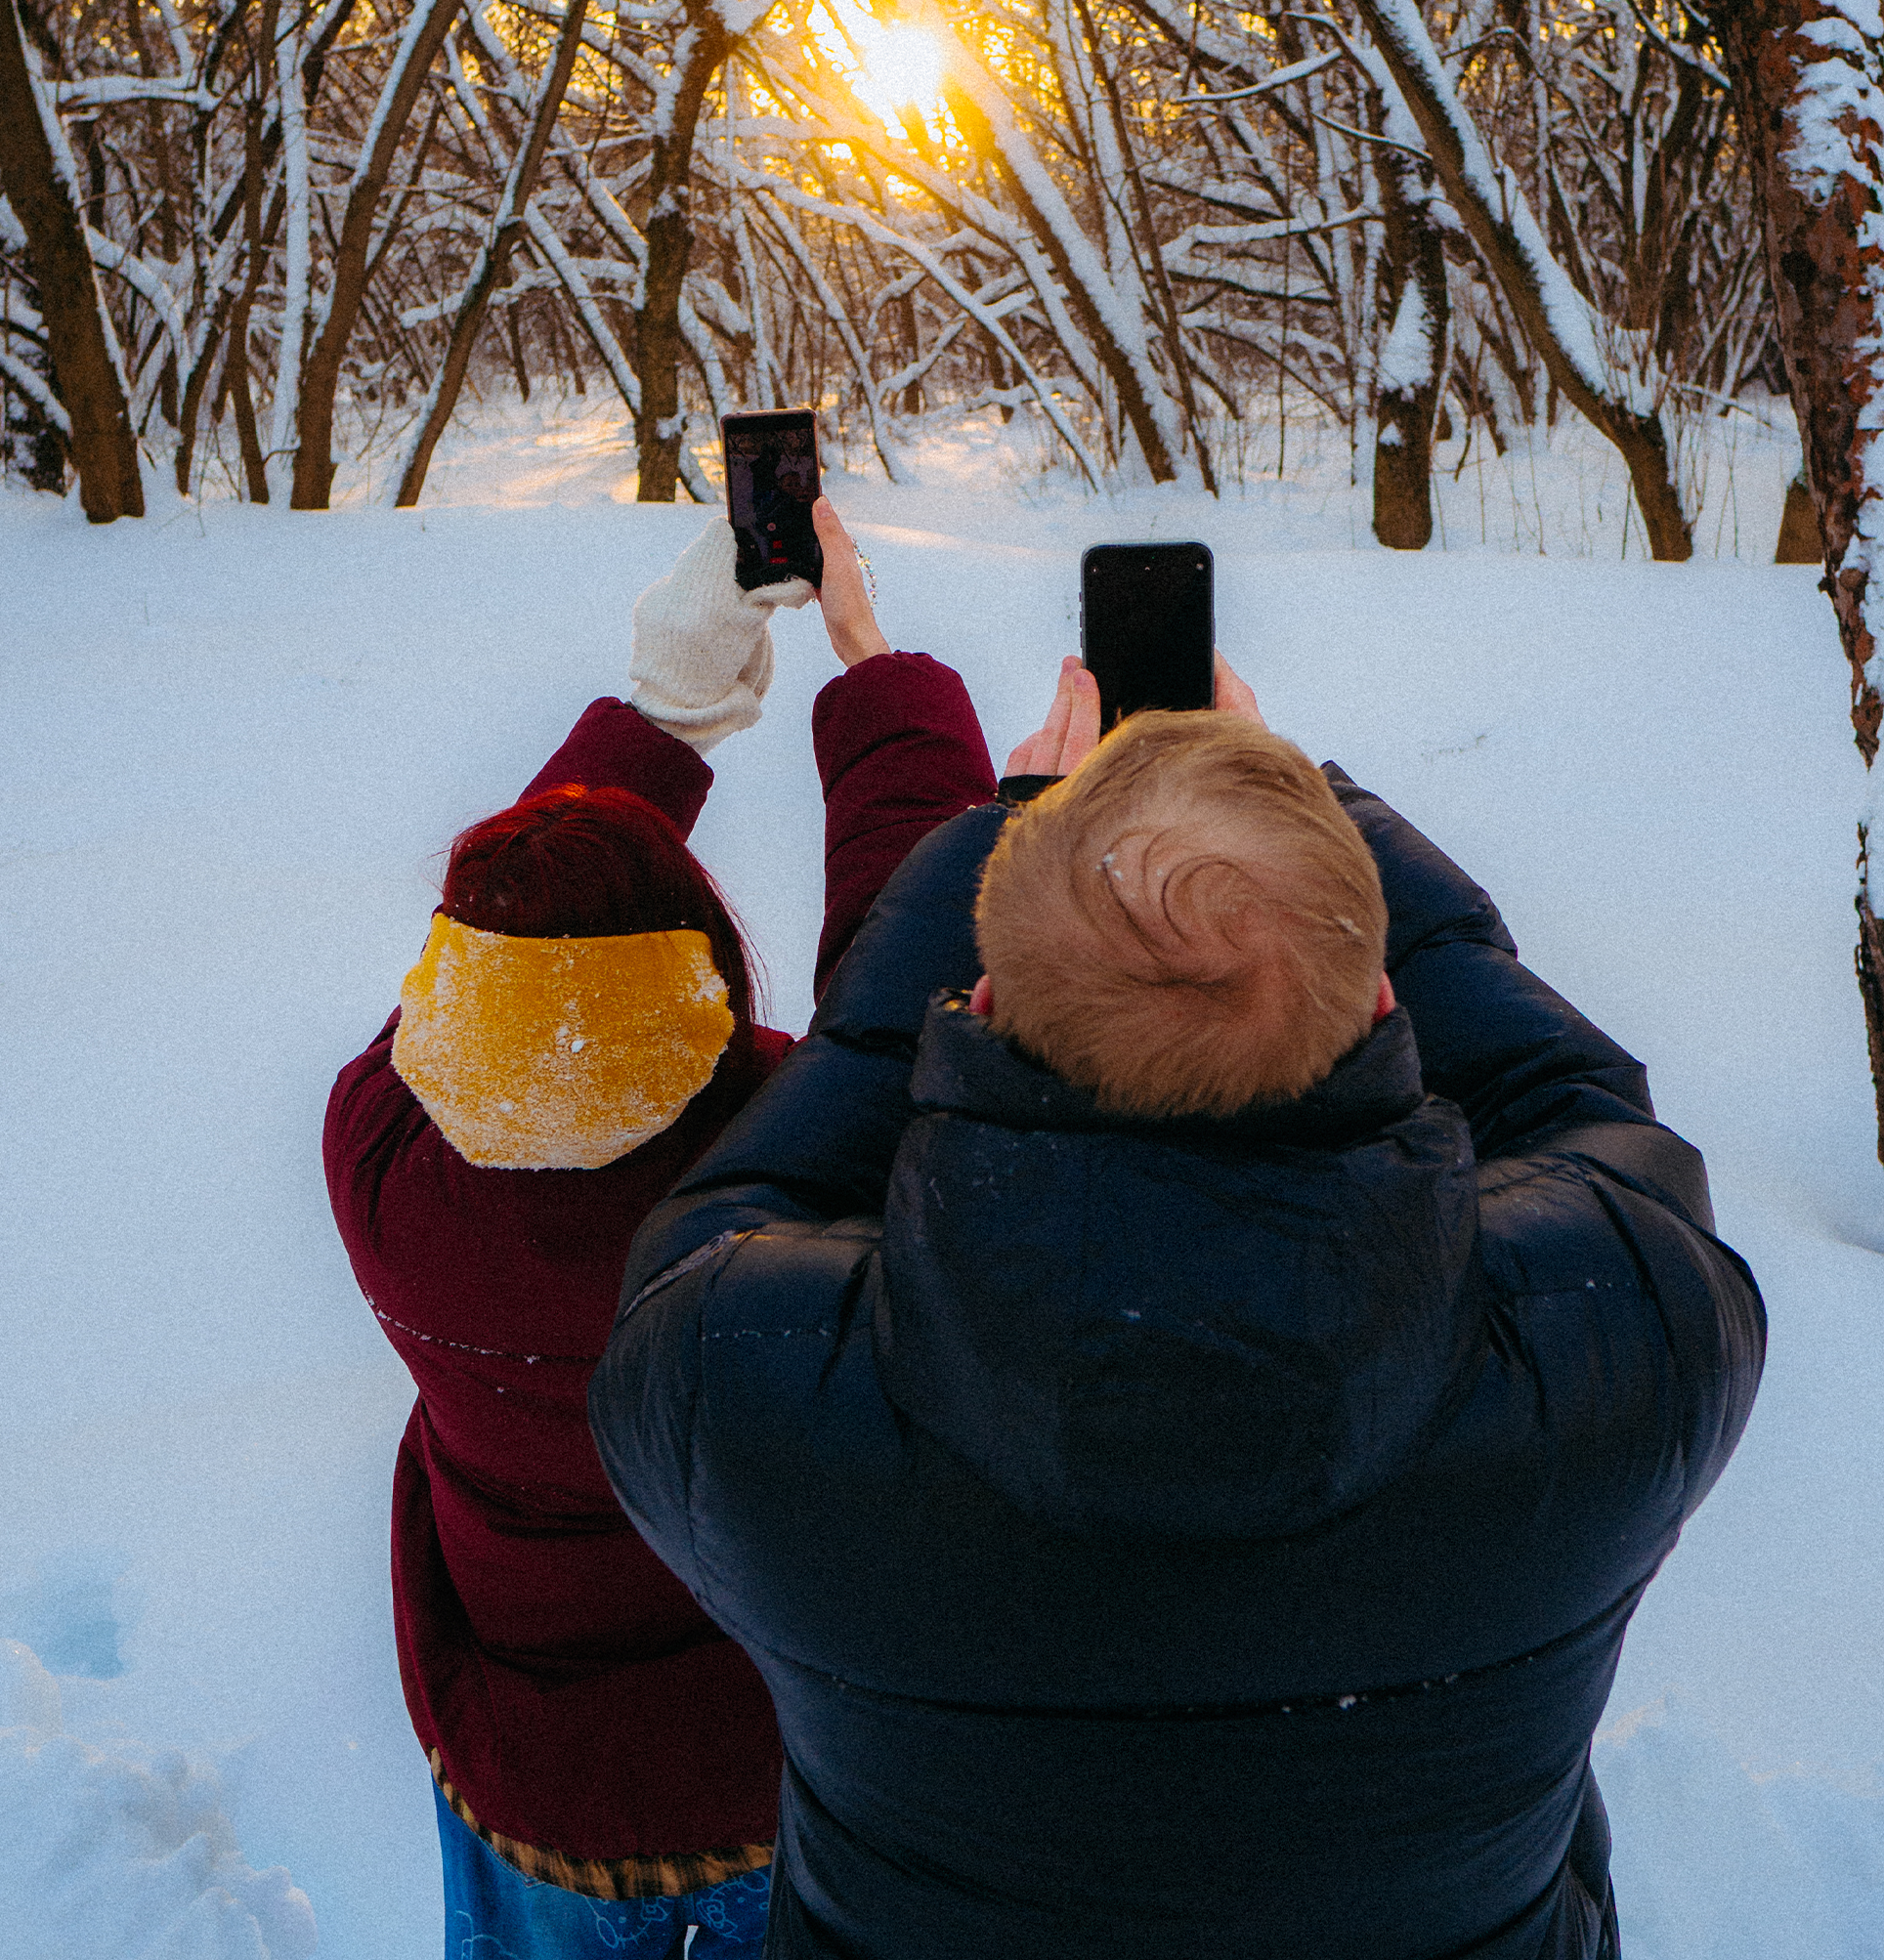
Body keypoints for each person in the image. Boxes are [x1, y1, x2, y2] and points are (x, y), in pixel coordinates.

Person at [590, 652, 1766, 1960]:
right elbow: (1580, 1109)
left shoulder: (743, 1395)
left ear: (973, 1008)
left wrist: (996, 835)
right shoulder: (1619, 1336)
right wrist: (1304, 813)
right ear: (1386, 1002)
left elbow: (739, 1208)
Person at [323, 500, 994, 1960]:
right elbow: (908, 999)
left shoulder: (380, 1156)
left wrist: (660, 712)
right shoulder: (777, 1165)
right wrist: (868, 663)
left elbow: (488, 969)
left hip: (529, 1777)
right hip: (778, 1762)